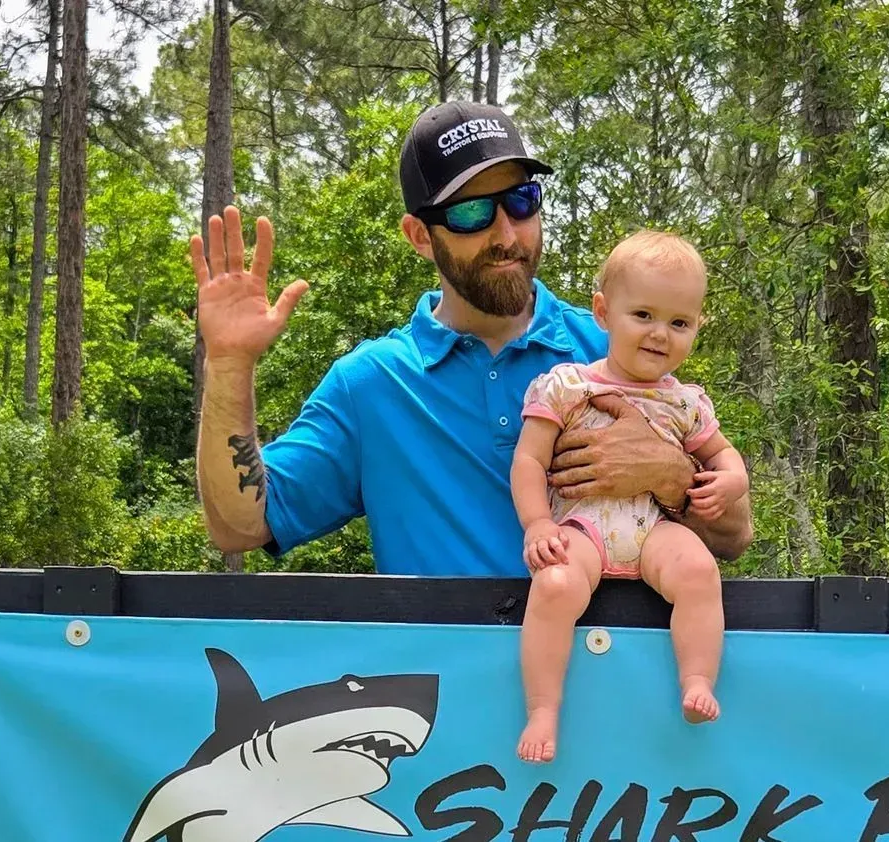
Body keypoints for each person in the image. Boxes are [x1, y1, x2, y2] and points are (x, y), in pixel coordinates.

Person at [190, 99, 753, 578]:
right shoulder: (372, 384)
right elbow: (240, 525)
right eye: (472, 212)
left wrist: (672, 476)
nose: (506, 233)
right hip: (444, 676)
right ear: (420, 235)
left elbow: (733, 535)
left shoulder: (618, 344)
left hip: (606, 673)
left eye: (521, 200)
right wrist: (231, 364)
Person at [510, 230, 747, 763]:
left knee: (699, 572)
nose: (660, 333)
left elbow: (725, 457)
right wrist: (537, 524)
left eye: (679, 322)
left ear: (697, 327)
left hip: (653, 529)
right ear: (603, 312)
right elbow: (528, 461)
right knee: (554, 586)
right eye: (643, 315)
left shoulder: (686, 403)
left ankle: (697, 680)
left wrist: (731, 481)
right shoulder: (568, 386)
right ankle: (543, 709)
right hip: (583, 526)